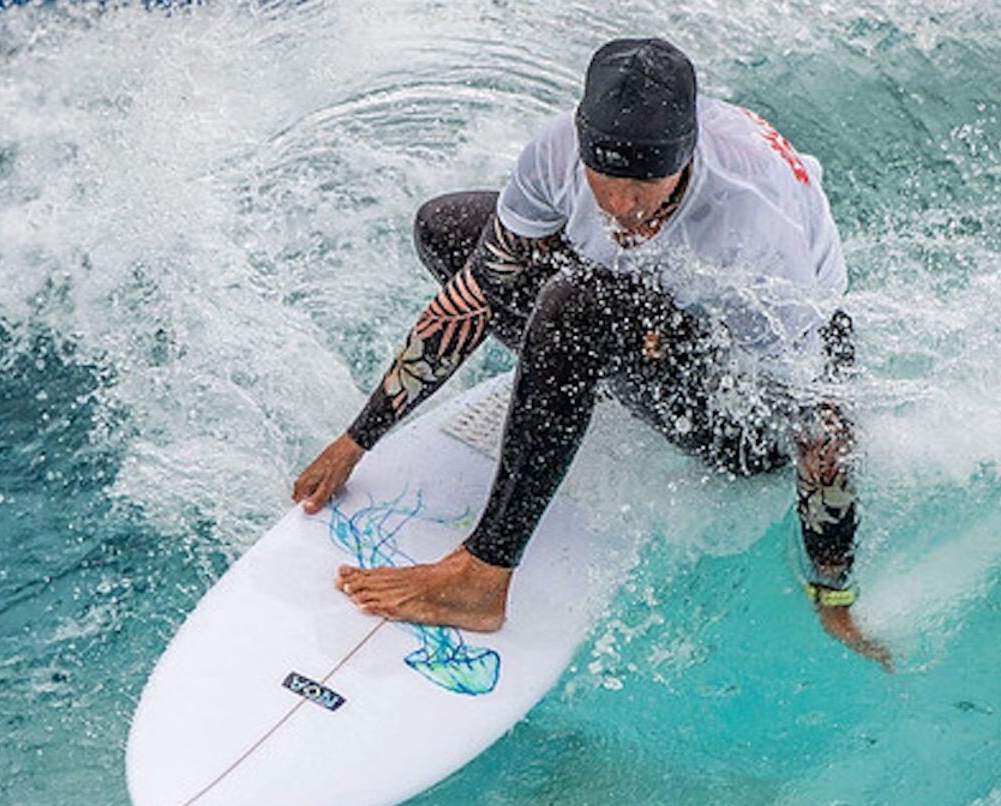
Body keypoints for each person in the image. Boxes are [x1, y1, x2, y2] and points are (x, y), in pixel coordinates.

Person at [291, 37, 891, 669]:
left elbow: (820, 430)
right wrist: (358, 439)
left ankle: (484, 577)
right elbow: (475, 294)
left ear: (687, 158)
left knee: (576, 305)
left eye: (650, 188)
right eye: (608, 186)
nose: (626, 210)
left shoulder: (753, 227)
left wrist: (834, 590)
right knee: (450, 230)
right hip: (657, 317)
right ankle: (574, 372)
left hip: (741, 417)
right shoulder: (556, 152)